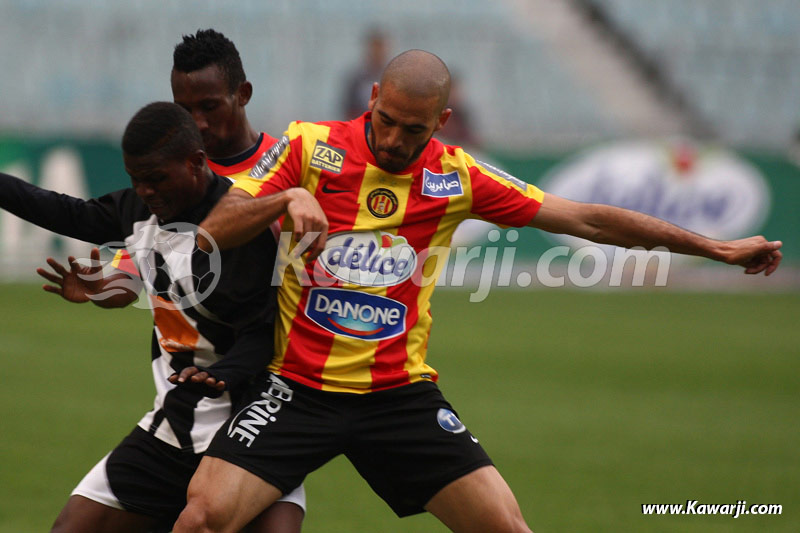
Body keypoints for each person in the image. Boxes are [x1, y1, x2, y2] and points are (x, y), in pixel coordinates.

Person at [173, 49, 782, 532]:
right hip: (298, 392)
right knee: (199, 519)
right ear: (373, 98)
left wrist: (717, 248)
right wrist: (286, 197)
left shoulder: (456, 175)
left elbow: (588, 220)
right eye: (385, 121)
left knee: (506, 527)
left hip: (398, 399)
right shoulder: (308, 145)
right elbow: (215, 228)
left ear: (440, 122)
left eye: (412, 130)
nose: (392, 141)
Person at [0, 29, 309, 531]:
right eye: (186, 109)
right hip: (177, 413)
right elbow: (92, 232)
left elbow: (268, 326)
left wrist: (228, 373)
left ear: (242, 94)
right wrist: (108, 289)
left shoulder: (281, 178)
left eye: (209, 106)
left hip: (256, 416)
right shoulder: (153, 193)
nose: (199, 122)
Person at [340, 28, 390, 120]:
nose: (377, 53)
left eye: (380, 49)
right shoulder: (356, 80)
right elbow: (348, 109)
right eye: (374, 49)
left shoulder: (392, 79)